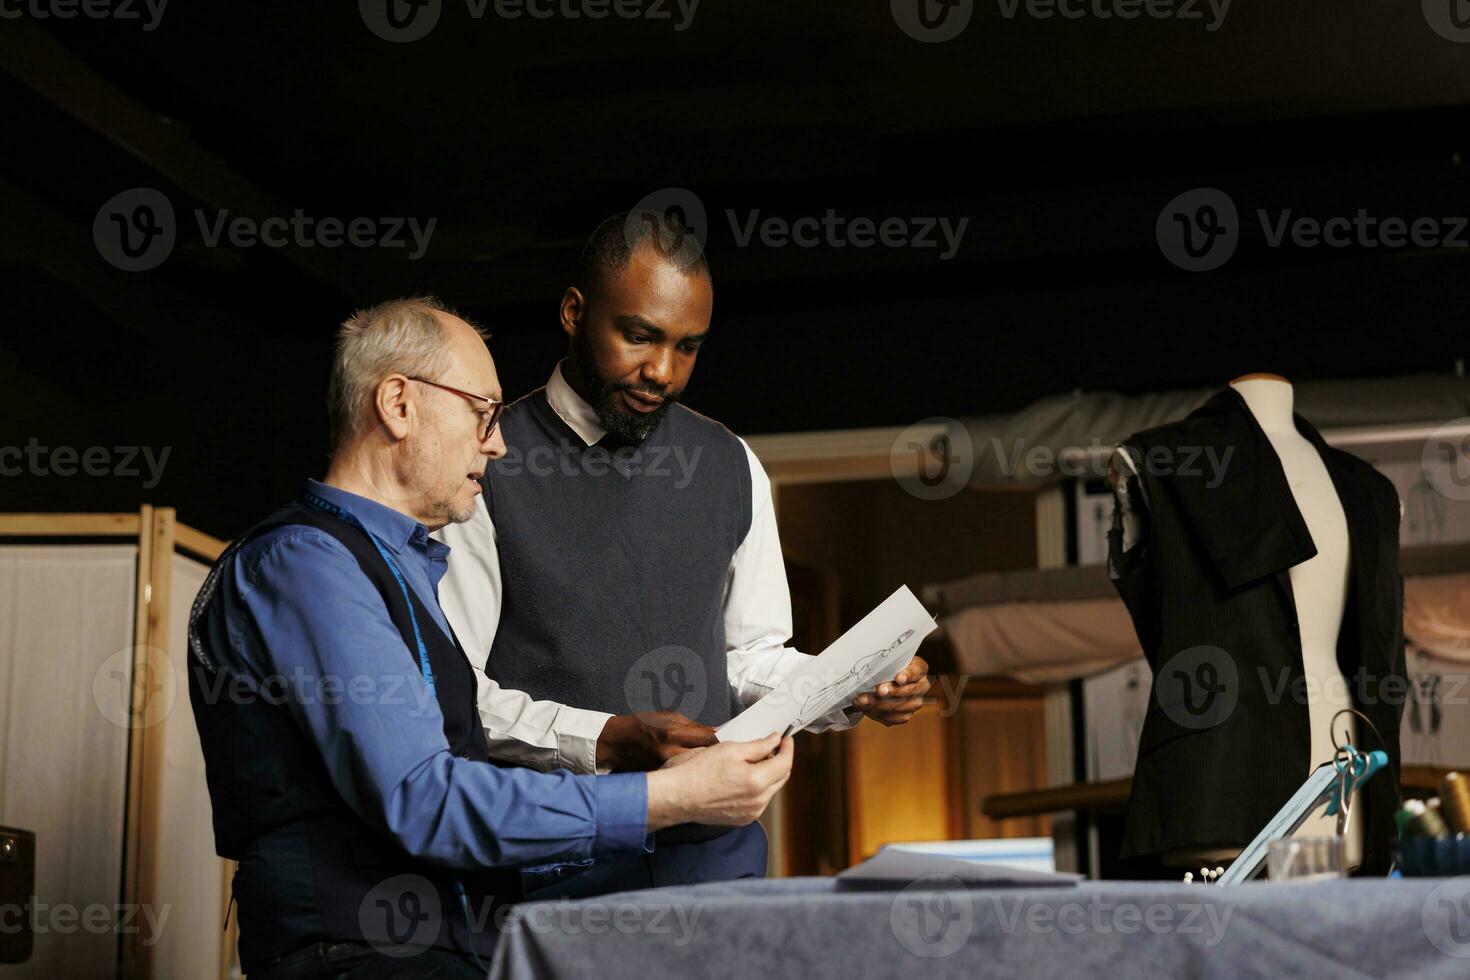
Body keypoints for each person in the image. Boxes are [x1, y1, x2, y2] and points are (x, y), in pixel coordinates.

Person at [187, 297, 793, 980]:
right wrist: (668, 800)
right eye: (483, 412)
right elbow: (425, 799)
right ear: (397, 403)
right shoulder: (306, 564)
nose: (498, 443)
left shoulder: (394, 567)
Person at [436, 211, 931, 899]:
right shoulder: (484, 465)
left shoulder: (732, 464)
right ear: (575, 313)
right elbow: (460, 699)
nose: (661, 371)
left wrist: (858, 683)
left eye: (687, 347)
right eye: (638, 336)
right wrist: (615, 737)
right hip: (553, 861)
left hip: (713, 859)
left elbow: (751, 659)